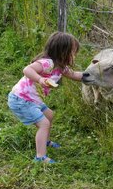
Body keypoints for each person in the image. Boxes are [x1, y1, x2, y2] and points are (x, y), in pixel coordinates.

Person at [7, 31, 83, 163]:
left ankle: (45, 141)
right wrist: (40, 79)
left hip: (32, 99)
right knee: (44, 124)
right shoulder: (48, 63)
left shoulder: (61, 67)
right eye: (73, 52)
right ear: (63, 51)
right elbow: (27, 70)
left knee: (49, 115)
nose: (74, 56)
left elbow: (75, 75)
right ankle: (40, 157)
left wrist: (94, 75)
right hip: (21, 99)